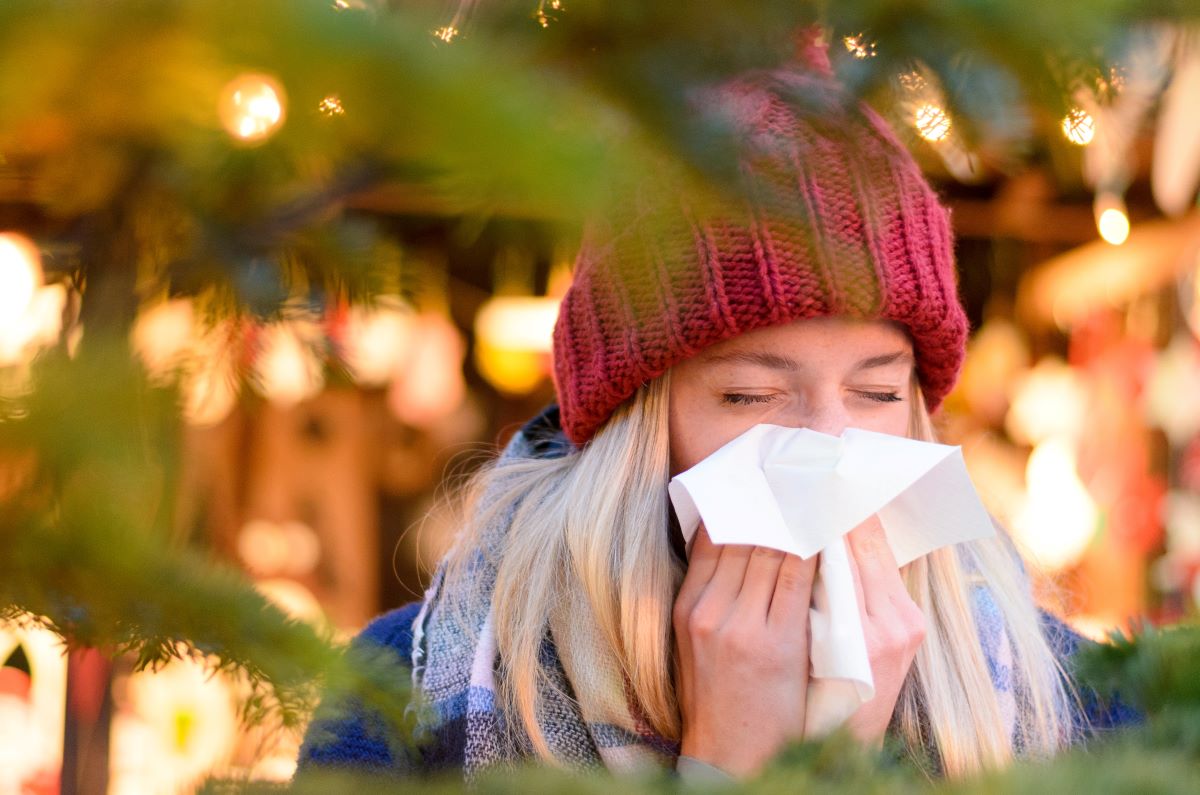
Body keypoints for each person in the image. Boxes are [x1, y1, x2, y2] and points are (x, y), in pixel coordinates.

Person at [297, 33, 1122, 783]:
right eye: (752, 395)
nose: (830, 445)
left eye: (875, 392)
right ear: (637, 422)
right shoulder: (404, 693)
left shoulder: (1078, 704)